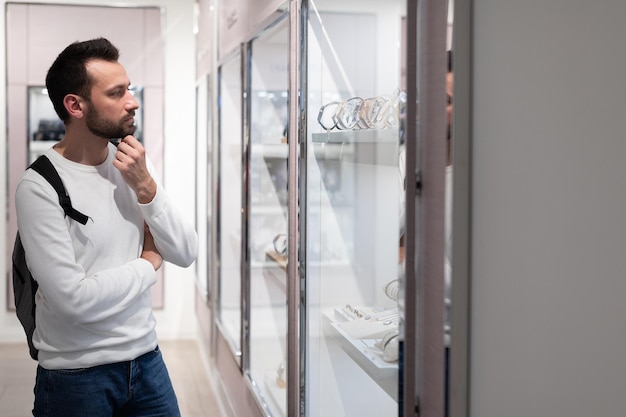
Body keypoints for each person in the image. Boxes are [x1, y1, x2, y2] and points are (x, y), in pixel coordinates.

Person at [15, 37, 198, 416]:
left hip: (147, 362)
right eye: (117, 93)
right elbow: (73, 302)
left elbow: (185, 252)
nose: (132, 101)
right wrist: (148, 264)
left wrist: (146, 187)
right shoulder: (39, 186)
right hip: (75, 377)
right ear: (75, 105)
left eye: (128, 89)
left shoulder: (131, 163)